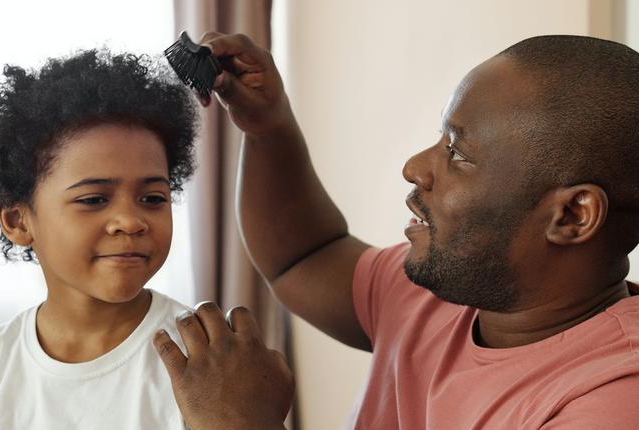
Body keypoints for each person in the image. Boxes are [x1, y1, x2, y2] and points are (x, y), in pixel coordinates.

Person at [152, 34, 639, 429]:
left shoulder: (613, 400)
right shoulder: (448, 289)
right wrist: (267, 126)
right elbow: (304, 256)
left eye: (459, 154)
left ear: (573, 215)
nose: (414, 168)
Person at [0, 49, 200, 429]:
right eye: (94, 199)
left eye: (153, 198)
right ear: (17, 219)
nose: (130, 221)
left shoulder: (207, 358)